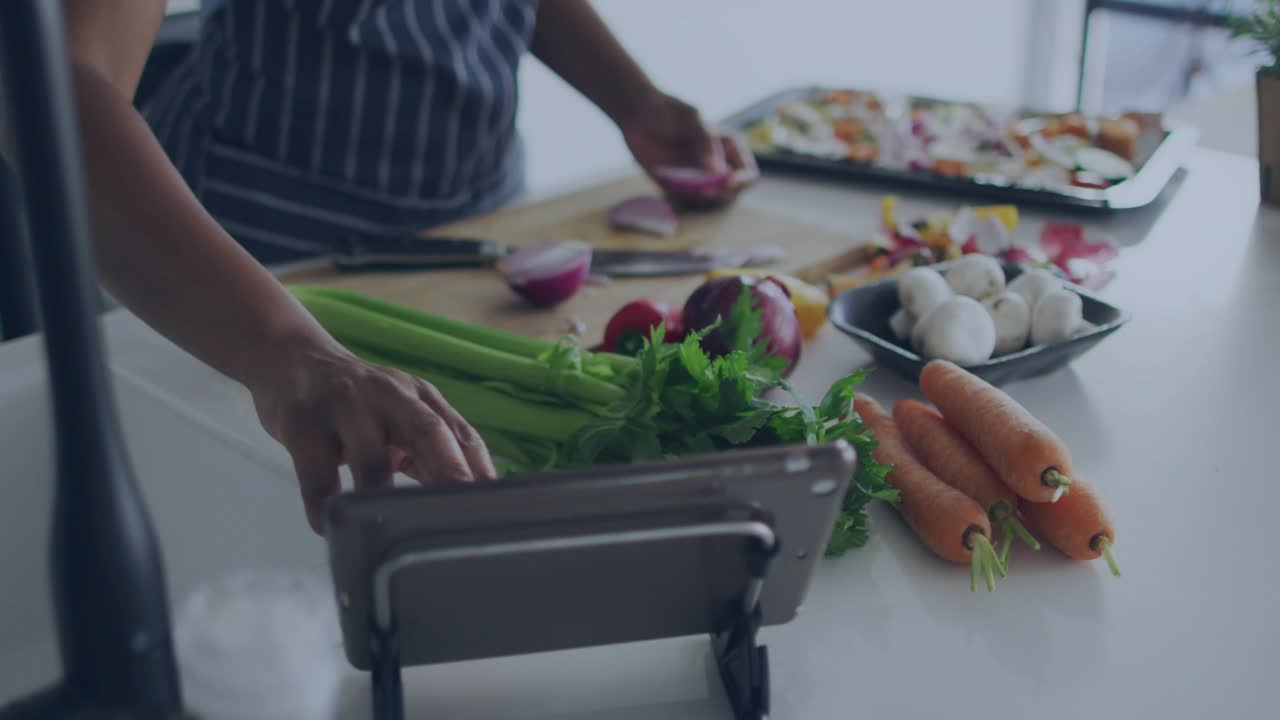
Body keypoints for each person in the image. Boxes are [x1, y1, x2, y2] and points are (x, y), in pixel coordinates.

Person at [48, 0, 755, 532]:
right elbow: (56, 81)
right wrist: (285, 354)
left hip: (476, 230)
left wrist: (632, 98)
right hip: (245, 271)